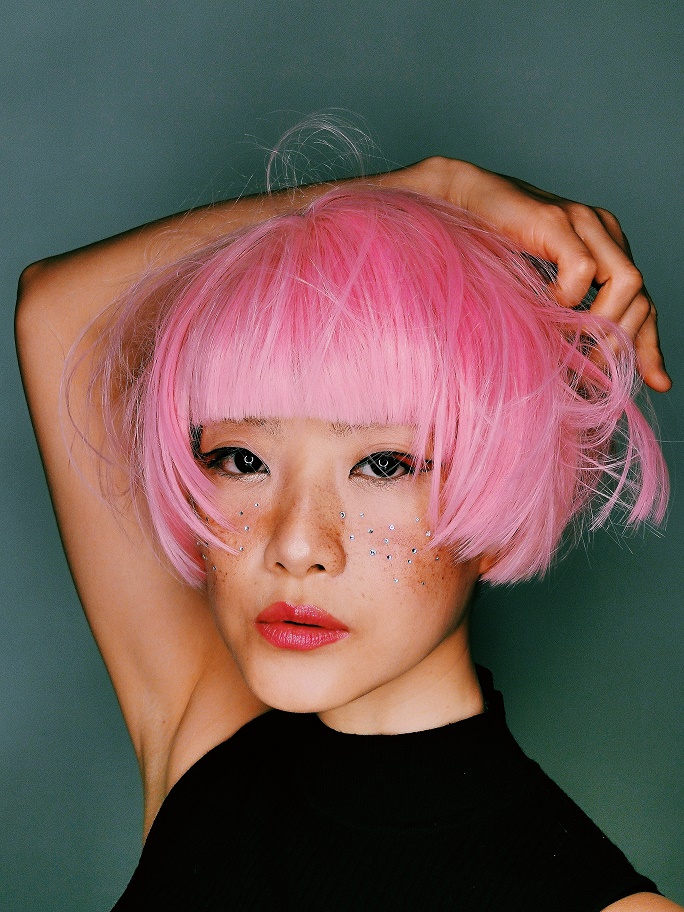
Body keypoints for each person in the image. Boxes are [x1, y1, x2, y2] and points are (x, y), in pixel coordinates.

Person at [15, 155, 680, 911]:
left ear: (508, 490)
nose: (296, 546)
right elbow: (59, 311)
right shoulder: (209, 746)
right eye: (243, 460)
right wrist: (429, 192)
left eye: (385, 465)